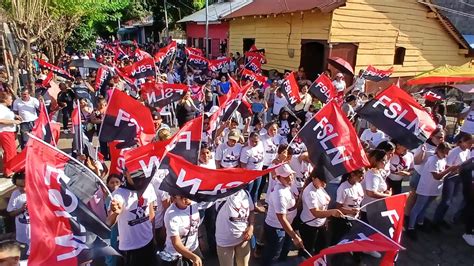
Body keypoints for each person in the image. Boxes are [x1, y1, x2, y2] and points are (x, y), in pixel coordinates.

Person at [407, 143, 457, 241]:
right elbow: (437, 176)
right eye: (445, 152)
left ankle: (420, 223)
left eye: (447, 152)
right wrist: (450, 169)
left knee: (425, 207)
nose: (446, 154)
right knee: (418, 207)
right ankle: (411, 227)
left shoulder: (442, 159)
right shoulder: (432, 160)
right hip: (426, 188)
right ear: (439, 150)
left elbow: (442, 171)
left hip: (434, 189)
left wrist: (451, 171)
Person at [106, 172, 157, 266]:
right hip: (130, 248)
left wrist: (153, 238)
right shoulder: (118, 194)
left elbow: (151, 214)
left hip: (148, 242)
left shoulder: (149, 187)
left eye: (139, 172)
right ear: (125, 173)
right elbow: (109, 222)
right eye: (133, 173)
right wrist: (116, 213)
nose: (136, 176)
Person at [262, 164, 303, 265]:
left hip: (285, 227)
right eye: (286, 176)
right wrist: (294, 236)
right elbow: (281, 218)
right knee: (274, 254)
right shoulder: (279, 193)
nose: (290, 178)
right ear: (279, 177)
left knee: (283, 250)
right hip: (277, 228)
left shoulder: (287, 186)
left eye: (291, 175)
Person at [433, 133, 472, 230]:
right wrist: (457, 168)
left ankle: (440, 219)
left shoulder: (467, 151)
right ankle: (435, 221)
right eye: (469, 143)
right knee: (445, 201)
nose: (470, 146)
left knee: (450, 200)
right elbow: (447, 166)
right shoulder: (455, 151)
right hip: (450, 178)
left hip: (459, 178)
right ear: (463, 141)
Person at [299, 172, 343, 255]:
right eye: (322, 181)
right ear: (313, 178)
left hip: (320, 224)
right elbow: (315, 213)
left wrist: (325, 219)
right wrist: (331, 212)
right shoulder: (310, 192)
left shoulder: (320, 187)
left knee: (321, 247)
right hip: (310, 226)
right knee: (307, 250)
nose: (324, 183)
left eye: (326, 181)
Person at [160, 194, 204, 266]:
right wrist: (193, 257)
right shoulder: (171, 215)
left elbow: (195, 224)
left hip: (193, 248)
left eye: (188, 195)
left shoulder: (194, 204)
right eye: (182, 197)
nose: (187, 199)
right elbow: (176, 243)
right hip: (176, 254)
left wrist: (200, 237)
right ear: (174, 199)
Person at [215, 189, 255, 266]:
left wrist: (251, 227)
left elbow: (252, 211)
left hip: (243, 239)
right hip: (225, 242)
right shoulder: (222, 194)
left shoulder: (245, 193)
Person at [7, 173, 30, 258]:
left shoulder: (36, 192)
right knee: (23, 255)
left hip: (36, 233)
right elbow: (10, 213)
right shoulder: (15, 194)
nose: (22, 189)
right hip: (22, 233)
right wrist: (21, 209)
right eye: (19, 186)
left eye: (24, 185)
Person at [0, 92, 21, 177]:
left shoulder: (5, 108)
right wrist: (14, 121)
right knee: (10, 152)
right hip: (5, 132)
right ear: (5, 100)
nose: (12, 100)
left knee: (11, 151)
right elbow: (1, 120)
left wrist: (15, 116)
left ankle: (8, 169)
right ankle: (9, 171)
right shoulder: (1, 108)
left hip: (9, 132)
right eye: (10, 99)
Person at [240, 132, 265, 205]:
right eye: (252, 141)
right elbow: (243, 164)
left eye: (256, 141)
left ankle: (254, 205)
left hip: (259, 172)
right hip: (249, 174)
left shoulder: (261, 144)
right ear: (249, 139)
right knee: (248, 191)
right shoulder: (246, 150)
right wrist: (246, 176)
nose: (254, 143)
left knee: (256, 189)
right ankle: (246, 206)